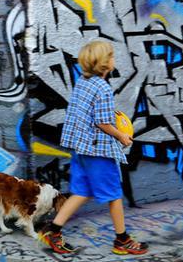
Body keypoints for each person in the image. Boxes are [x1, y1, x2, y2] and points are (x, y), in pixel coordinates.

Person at [38, 40, 148, 256]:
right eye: (112, 56)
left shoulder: (82, 82)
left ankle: (53, 231)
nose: (115, 59)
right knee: (115, 194)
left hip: (81, 149)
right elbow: (102, 123)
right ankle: (122, 240)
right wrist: (122, 137)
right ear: (105, 63)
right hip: (98, 152)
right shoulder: (103, 89)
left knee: (81, 191)